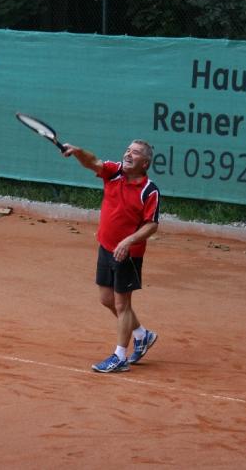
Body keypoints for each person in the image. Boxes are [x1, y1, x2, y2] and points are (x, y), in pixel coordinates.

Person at [62, 139, 160, 373]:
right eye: (127, 150)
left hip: (128, 254)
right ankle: (141, 335)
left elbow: (152, 225)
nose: (128, 154)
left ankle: (120, 357)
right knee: (107, 299)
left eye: (135, 153)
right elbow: (93, 162)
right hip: (106, 246)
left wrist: (128, 241)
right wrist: (78, 152)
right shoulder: (114, 172)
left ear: (145, 163)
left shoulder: (149, 190)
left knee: (122, 304)